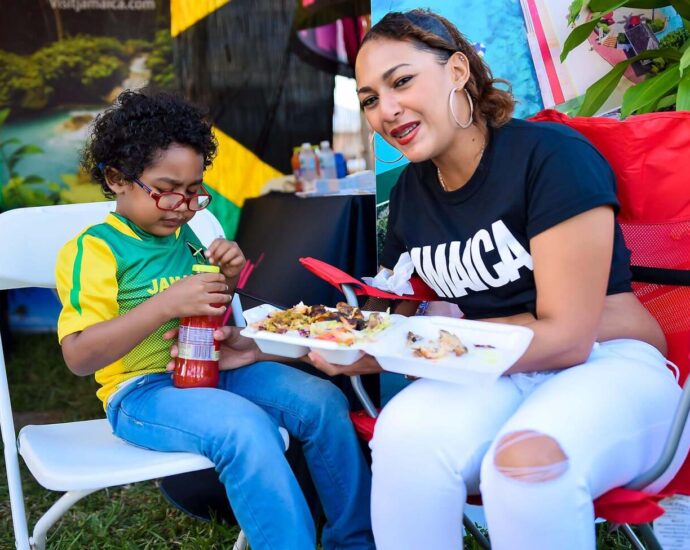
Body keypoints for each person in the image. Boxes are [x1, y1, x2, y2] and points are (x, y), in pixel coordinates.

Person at [306, 9, 689, 550]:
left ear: (458, 71)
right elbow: (397, 319)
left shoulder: (550, 158)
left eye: (402, 81)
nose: (386, 110)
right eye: (369, 98)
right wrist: (284, 345)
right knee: (401, 438)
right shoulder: (414, 194)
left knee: (524, 464)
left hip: (609, 363)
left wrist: (406, 347)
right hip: (493, 371)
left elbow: (567, 337)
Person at [55, 89, 374, 550]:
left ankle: (355, 542)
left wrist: (225, 278)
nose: (183, 206)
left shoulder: (189, 239)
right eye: (166, 192)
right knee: (246, 429)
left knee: (322, 401)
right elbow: (80, 357)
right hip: (140, 392)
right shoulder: (96, 249)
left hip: (209, 371)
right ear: (117, 178)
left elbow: (210, 322)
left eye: (193, 192)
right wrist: (165, 305)